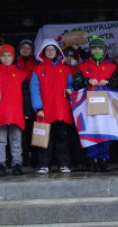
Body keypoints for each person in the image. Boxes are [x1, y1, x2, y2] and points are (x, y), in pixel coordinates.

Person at [30, 39, 75, 174]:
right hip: (45, 111)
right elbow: (34, 90)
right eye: (47, 49)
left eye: (52, 49)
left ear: (57, 51)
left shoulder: (66, 69)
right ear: (43, 52)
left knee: (62, 139)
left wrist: (71, 90)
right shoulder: (38, 70)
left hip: (62, 110)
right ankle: (43, 164)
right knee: (45, 140)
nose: (50, 52)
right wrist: (38, 108)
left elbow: (71, 85)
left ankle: (64, 164)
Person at [0, 44, 31, 176]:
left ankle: (17, 164)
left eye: (9, 55)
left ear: (13, 57)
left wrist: (27, 111)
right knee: (0, 140)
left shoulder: (21, 74)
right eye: (3, 56)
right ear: (0, 57)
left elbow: (25, 94)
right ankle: (0, 165)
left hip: (16, 112)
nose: (6, 58)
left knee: (16, 140)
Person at [75, 36, 117, 172]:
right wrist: (87, 82)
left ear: (104, 50)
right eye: (94, 48)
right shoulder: (82, 67)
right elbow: (75, 84)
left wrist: (109, 82)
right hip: (87, 104)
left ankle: (104, 159)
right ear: (90, 51)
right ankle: (92, 159)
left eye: (99, 48)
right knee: (91, 131)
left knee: (105, 131)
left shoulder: (112, 67)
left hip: (108, 106)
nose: (97, 50)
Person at [16, 39, 39, 169]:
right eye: (23, 47)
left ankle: (33, 159)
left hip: (31, 103)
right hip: (16, 102)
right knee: (17, 134)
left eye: (28, 48)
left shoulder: (36, 64)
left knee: (32, 133)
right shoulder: (13, 63)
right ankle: (18, 160)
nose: (25, 50)